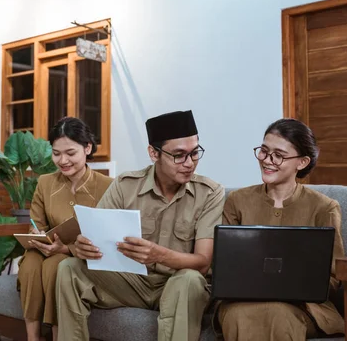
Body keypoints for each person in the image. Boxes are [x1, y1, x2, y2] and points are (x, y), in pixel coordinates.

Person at [56, 110, 225, 341]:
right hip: (132, 283)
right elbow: (95, 238)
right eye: (179, 155)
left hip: (178, 286)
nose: (189, 163)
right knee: (69, 268)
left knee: (190, 279)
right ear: (153, 153)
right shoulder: (125, 185)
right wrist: (83, 246)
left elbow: (203, 263)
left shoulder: (210, 193)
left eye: (195, 153)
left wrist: (158, 255)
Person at [216, 118, 345, 340]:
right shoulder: (237, 200)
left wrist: (295, 287)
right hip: (240, 302)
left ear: (302, 162)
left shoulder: (324, 207)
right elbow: (223, 265)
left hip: (301, 307)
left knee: (278, 313)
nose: (267, 160)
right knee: (238, 315)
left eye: (279, 155)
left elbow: (333, 276)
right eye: (264, 151)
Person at [18, 117, 113, 341]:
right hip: (45, 248)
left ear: (87, 148)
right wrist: (37, 235)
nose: (63, 160)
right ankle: (32, 338)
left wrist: (65, 249)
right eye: (56, 153)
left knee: (56, 265)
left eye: (70, 153)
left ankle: (58, 335)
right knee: (30, 262)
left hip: (82, 256)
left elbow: (107, 237)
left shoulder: (108, 186)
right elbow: (37, 223)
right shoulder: (45, 183)